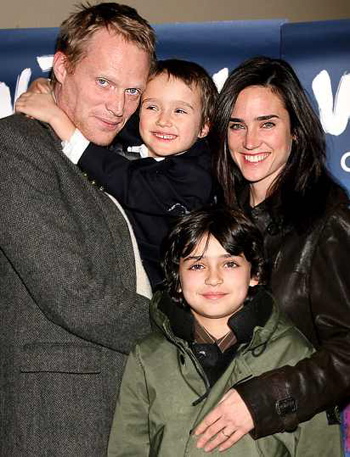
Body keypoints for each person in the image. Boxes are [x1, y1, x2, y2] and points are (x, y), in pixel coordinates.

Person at [0, 3, 156, 456]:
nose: (118, 106)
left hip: (122, 413)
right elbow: (75, 295)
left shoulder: (105, 153)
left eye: (133, 90)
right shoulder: (15, 147)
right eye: (104, 82)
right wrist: (188, 328)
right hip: (59, 421)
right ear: (63, 67)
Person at [192, 56, 350, 452]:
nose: (249, 142)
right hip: (226, 430)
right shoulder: (222, 217)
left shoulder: (329, 219)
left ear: (295, 131)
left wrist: (263, 400)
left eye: (267, 123)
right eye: (237, 125)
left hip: (301, 433)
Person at [107, 206, 342, 456]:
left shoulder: (294, 354)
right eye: (197, 266)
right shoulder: (148, 357)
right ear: (177, 279)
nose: (213, 278)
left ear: (255, 274)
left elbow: (320, 448)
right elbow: (127, 449)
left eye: (229, 264)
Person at [16, 59, 218, 288]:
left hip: (164, 292)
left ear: (204, 127)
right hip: (110, 267)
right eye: (152, 106)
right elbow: (99, 116)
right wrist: (50, 88)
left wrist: (57, 119)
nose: (163, 120)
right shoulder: (146, 132)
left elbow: (128, 182)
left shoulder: (196, 175)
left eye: (180, 111)